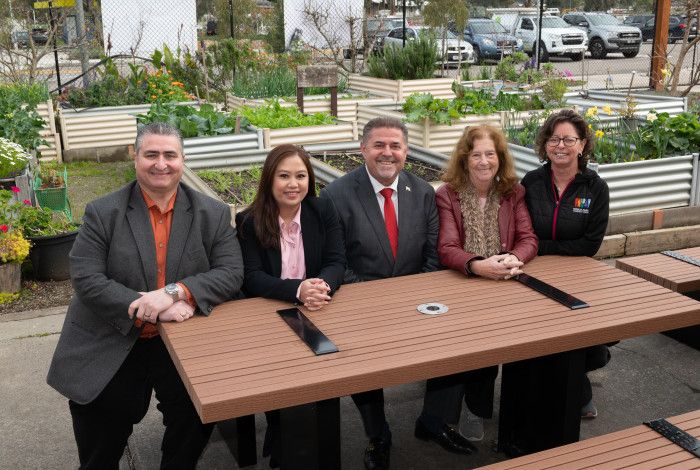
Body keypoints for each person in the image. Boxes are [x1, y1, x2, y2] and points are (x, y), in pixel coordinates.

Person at [46, 122, 244, 470]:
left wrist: (172, 293)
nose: (161, 163)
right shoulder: (103, 212)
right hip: (114, 332)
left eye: (170, 155)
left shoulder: (211, 213)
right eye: (151, 154)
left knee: (197, 409)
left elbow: (230, 272)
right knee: (101, 418)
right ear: (134, 157)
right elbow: (87, 278)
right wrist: (150, 308)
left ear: (183, 159)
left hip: (181, 337)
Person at [321, 116, 475, 470]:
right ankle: (378, 435)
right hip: (361, 301)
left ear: (406, 151)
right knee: (362, 362)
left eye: (395, 146)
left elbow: (435, 253)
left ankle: (434, 421)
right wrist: (376, 302)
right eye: (379, 145)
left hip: (419, 296)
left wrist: (414, 298)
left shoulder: (422, 192)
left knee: (458, 340)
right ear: (362, 149)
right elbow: (335, 260)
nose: (387, 153)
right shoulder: (335, 195)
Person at [235, 144, 346, 467]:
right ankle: (280, 428)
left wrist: (321, 285)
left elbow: (337, 261)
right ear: (269, 180)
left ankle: (291, 434)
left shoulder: (322, 211)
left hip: (318, 306)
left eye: (300, 176)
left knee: (327, 366)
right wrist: (298, 290)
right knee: (282, 376)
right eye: (284, 176)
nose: (293, 184)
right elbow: (251, 278)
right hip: (269, 312)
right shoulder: (249, 221)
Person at [435, 124, 538, 441]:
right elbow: (448, 249)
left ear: (500, 157)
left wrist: (512, 258)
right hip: (465, 281)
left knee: (526, 339)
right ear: (465, 160)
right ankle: (467, 410)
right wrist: (479, 266)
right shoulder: (447, 195)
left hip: (505, 279)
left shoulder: (513, 192)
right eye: (476, 154)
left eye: (490, 154)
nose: (483, 161)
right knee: (474, 347)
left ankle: (502, 409)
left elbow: (528, 238)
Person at [521, 108, 610, 419]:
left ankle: (577, 378)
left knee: (595, 340)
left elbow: (591, 244)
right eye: (554, 139)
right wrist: (538, 250)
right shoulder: (531, 182)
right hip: (534, 272)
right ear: (545, 144)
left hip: (578, 274)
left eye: (568, 139)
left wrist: (542, 247)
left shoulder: (595, 187)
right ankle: (572, 389)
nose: (560, 146)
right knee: (536, 330)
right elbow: (522, 232)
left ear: (582, 145)